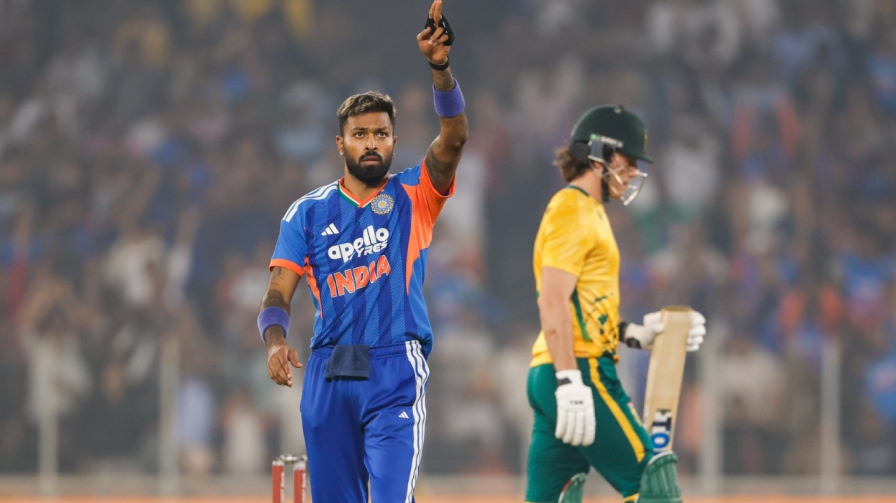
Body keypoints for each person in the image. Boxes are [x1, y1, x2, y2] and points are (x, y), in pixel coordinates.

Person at [258, 1, 467, 501]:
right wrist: (274, 342)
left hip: (395, 368)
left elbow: (455, 137)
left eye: (380, 134)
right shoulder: (306, 213)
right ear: (340, 143)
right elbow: (277, 292)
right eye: (359, 135)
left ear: (394, 140)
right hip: (329, 370)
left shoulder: (415, 195)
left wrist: (440, 69)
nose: (370, 143)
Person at [525, 105, 707, 503]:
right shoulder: (573, 209)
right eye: (628, 161)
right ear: (598, 155)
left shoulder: (589, 212)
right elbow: (553, 299)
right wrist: (570, 379)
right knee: (655, 488)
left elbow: (585, 306)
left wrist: (637, 334)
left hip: (558, 368)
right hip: (580, 368)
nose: (634, 172)